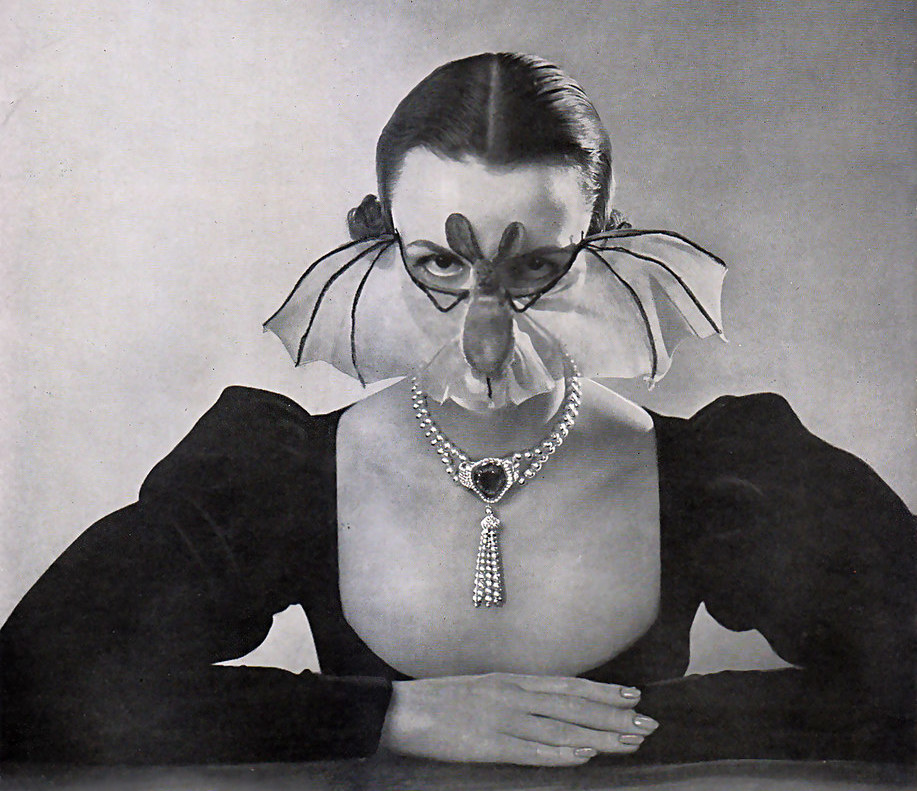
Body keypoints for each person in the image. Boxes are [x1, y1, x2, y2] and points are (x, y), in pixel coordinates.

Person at [1, 52, 914, 767]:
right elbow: (27, 688)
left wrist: (627, 730)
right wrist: (382, 717)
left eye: (536, 265)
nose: (487, 336)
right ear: (373, 246)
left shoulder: (726, 471)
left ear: (605, 248)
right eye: (439, 262)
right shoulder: (277, 471)